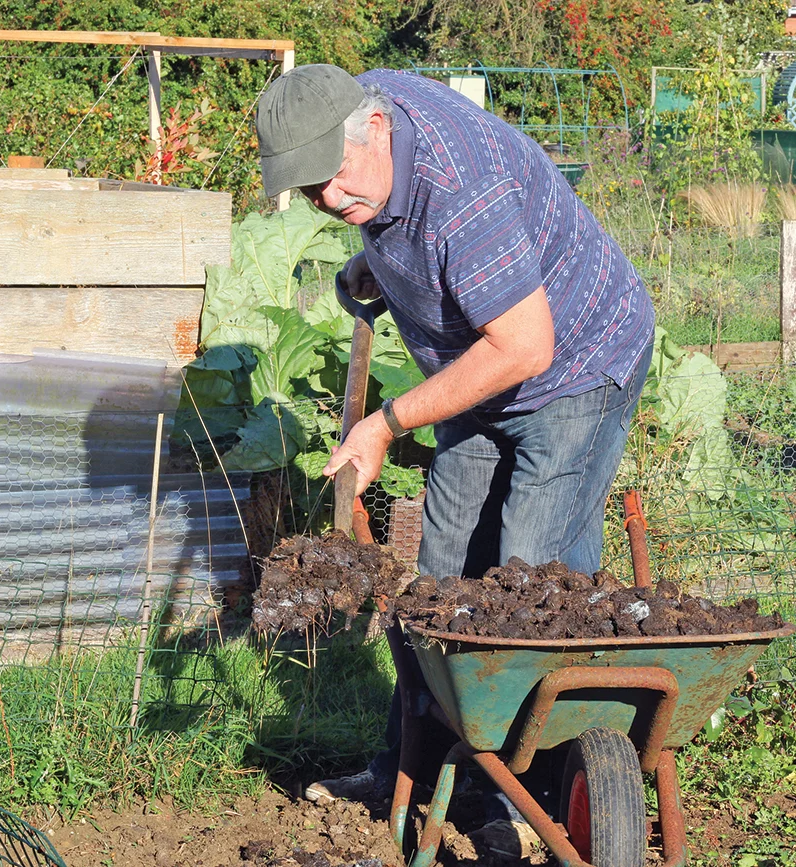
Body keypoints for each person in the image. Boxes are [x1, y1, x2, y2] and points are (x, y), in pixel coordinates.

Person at [255, 64, 655, 803]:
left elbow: (526, 347)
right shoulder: (361, 113)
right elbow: (403, 224)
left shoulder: (462, 189)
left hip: (574, 363)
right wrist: (376, 261)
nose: (331, 199)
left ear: (375, 128)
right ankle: (409, 769)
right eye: (312, 191)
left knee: (529, 582)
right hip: (480, 364)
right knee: (438, 583)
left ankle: (524, 797)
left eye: (336, 179)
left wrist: (386, 422)